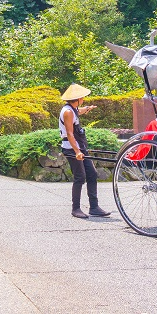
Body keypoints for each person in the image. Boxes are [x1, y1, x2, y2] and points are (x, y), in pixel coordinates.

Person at [60, 83, 111, 219]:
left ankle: (94, 207)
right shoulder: (68, 112)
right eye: (82, 98)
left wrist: (88, 109)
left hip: (80, 147)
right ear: (77, 99)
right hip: (71, 148)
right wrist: (77, 151)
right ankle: (75, 208)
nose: (83, 99)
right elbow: (70, 133)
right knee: (80, 177)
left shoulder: (73, 109)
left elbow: (79, 111)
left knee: (92, 174)